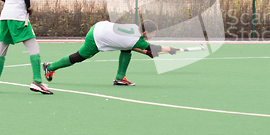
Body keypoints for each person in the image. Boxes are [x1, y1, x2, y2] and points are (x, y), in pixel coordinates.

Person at [43, 19, 177, 85]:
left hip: (100, 26)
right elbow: (153, 48)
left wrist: (148, 53)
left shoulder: (134, 29)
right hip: (96, 38)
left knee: (126, 50)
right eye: (154, 33)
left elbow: (131, 45)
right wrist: (170, 50)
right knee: (78, 57)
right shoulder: (138, 40)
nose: (154, 34)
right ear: (146, 32)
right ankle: (50, 67)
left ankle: (120, 79)